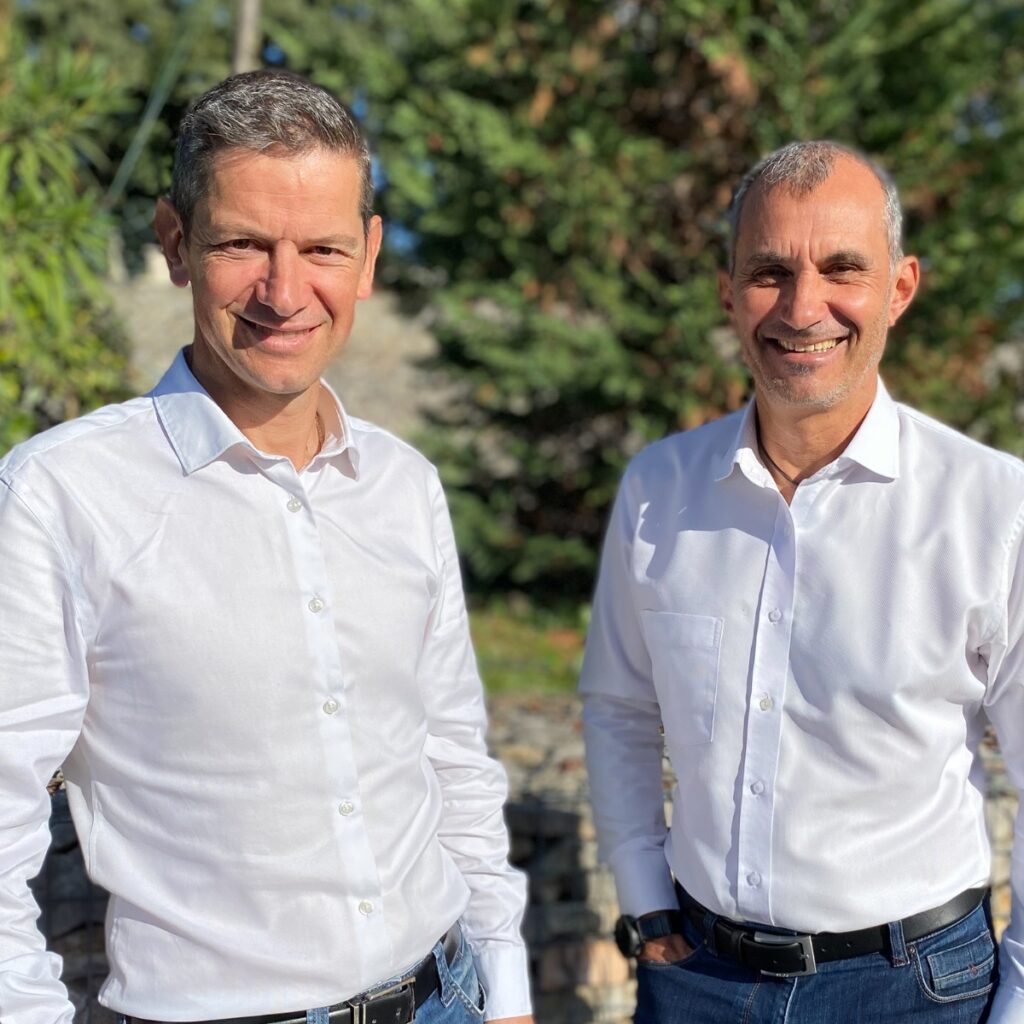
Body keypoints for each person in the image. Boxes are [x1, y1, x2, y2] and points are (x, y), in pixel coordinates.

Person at [0, 70, 533, 1024]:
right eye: (243, 244)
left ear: (368, 256)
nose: (286, 293)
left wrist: (508, 986)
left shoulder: (403, 484)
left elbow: (450, 755)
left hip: (449, 997)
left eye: (323, 248)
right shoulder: (61, 495)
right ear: (175, 243)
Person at [579, 140, 1024, 1023]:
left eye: (842, 268)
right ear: (728, 292)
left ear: (899, 289)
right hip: (696, 977)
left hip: (916, 992)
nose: (802, 306)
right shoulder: (658, 489)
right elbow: (619, 706)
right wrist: (645, 901)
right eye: (769, 272)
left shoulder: (993, 508)